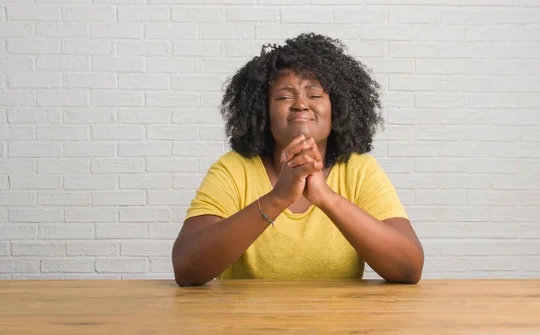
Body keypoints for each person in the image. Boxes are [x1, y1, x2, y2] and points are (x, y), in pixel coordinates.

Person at [171, 33, 424, 286]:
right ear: (262, 113)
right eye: (283, 96)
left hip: (340, 324)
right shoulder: (234, 169)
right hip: (247, 323)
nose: (301, 105)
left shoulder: (359, 170)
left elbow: (409, 269)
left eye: (314, 96)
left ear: (337, 109)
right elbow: (186, 268)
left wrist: (326, 197)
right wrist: (278, 197)